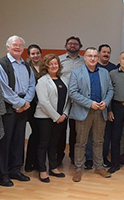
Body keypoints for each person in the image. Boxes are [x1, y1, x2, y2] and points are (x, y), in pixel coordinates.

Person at [69, 47, 113, 182]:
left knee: (99, 141)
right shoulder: (77, 72)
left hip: (100, 111)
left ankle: (99, 167)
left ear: (98, 57)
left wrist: (105, 102)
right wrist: (89, 103)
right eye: (90, 56)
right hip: (84, 111)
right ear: (85, 57)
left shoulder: (105, 72)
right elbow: (73, 92)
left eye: (95, 56)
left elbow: (110, 89)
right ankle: (78, 169)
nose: (93, 58)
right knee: (81, 142)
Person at [0, 35, 35, 187]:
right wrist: (20, 103)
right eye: (14, 44)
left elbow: (32, 85)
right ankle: (3, 174)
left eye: (20, 45)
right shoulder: (2, 64)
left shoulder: (26, 66)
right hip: (9, 108)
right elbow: (4, 89)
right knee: (5, 142)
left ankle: (15, 170)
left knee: (19, 140)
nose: (17, 47)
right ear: (8, 47)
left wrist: (27, 102)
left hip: (24, 107)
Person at [34, 54, 69, 183]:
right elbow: (43, 102)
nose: (54, 66)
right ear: (46, 66)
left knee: (54, 144)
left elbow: (67, 100)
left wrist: (64, 114)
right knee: (43, 144)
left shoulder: (63, 80)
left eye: (56, 63)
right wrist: (56, 117)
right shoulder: (42, 81)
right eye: (51, 64)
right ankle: (42, 170)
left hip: (60, 117)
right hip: (45, 118)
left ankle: (53, 167)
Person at [58, 36, 86, 166]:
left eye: (75, 44)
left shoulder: (84, 61)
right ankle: (58, 156)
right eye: (70, 43)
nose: (73, 46)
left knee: (76, 130)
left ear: (80, 46)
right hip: (61, 99)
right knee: (60, 129)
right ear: (66, 46)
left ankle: (75, 157)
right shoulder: (59, 60)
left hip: (78, 100)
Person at [98, 44, 118, 168]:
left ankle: (104, 158)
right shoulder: (94, 67)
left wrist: (109, 108)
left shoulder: (114, 68)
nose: (106, 54)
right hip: (94, 106)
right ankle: (91, 159)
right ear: (99, 53)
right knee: (93, 136)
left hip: (109, 107)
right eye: (104, 52)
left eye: (108, 52)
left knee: (107, 135)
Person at [24, 44, 43, 173]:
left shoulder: (45, 66)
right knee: (35, 133)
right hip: (31, 105)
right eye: (32, 54)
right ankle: (29, 162)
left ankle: (37, 162)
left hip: (43, 105)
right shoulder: (25, 67)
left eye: (37, 53)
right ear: (29, 55)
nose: (35, 56)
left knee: (41, 134)